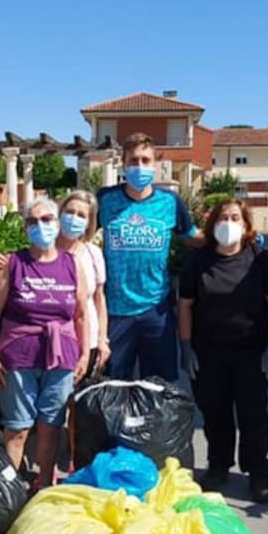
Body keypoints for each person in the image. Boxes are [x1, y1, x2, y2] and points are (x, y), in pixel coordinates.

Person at [178, 198, 268, 503]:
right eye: (222, 218)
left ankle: (258, 472)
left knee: (253, 413)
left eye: (235, 218)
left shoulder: (263, 260)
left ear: (247, 225)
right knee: (215, 412)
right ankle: (218, 465)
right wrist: (186, 346)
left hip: (252, 352)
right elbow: (185, 305)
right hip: (209, 351)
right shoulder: (198, 262)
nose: (228, 223)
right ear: (212, 226)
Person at [0, 198, 89, 486]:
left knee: (50, 426)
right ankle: (8, 491)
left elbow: (81, 315)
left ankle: (44, 484)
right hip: (18, 356)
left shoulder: (72, 263)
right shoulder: (11, 263)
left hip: (62, 356)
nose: (40, 226)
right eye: (32, 221)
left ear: (57, 224)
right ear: (24, 227)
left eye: (46, 219)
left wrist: (83, 356)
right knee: (17, 428)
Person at [98, 133, 201, 381]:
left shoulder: (169, 201)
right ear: (123, 164)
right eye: (133, 161)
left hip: (157, 311)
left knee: (158, 388)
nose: (139, 167)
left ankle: (153, 423)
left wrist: (238, 238)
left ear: (154, 164)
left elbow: (191, 237)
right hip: (115, 312)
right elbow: (78, 237)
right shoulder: (105, 199)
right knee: (114, 388)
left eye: (145, 160)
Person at [59, 190, 111, 377]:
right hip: (55, 342)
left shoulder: (93, 254)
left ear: (89, 223)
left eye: (81, 215)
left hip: (88, 343)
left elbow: (99, 299)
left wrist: (103, 340)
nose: (73, 218)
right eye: (70, 212)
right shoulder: (44, 251)